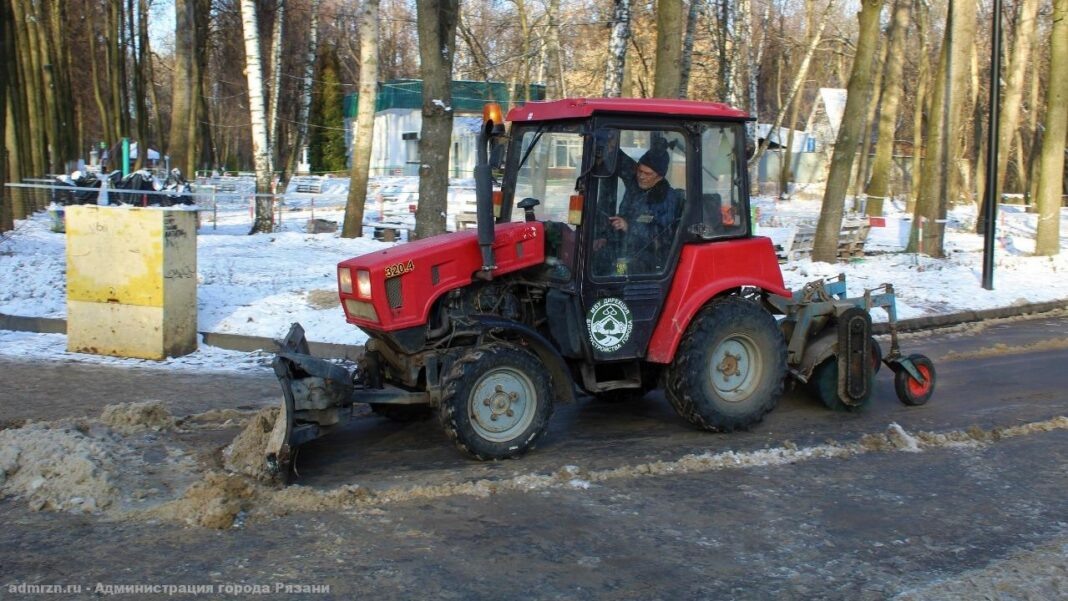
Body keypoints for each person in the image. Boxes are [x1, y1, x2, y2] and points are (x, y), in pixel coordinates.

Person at [596, 145, 683, 274]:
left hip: (647, 261)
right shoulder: (636, 185)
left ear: (659, 176)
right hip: (622, 249)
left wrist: (628, 226)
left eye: (647, 174)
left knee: (617, 276)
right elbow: (622, 162)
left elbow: (663, 237)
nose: (641, 176)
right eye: (640, 171)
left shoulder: (667, 200)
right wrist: (605, 238)